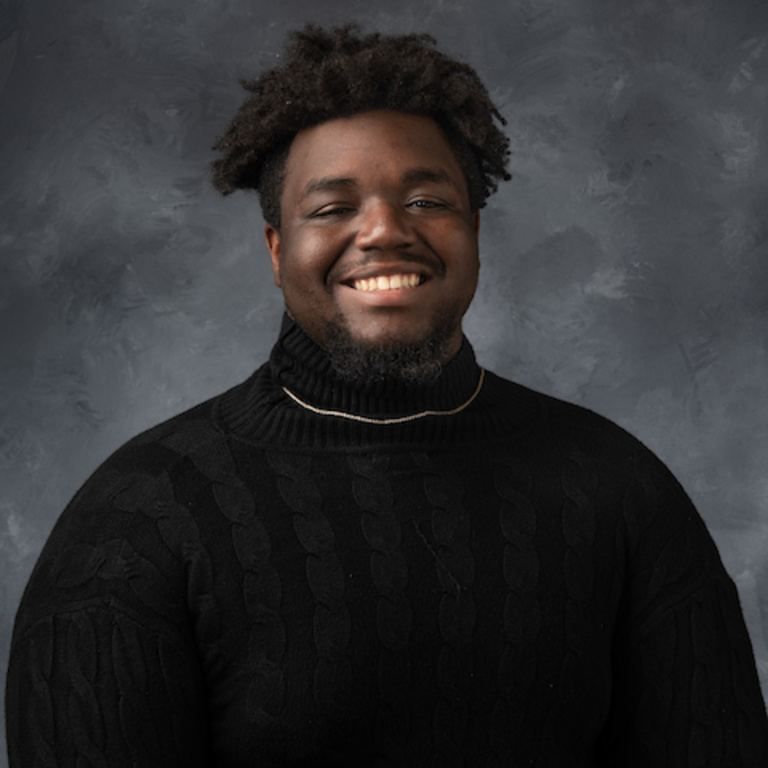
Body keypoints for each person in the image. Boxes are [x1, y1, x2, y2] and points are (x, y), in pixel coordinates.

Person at [6, 23, 768, 768]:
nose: (383, 232)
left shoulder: (620, 490)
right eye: (333, 207)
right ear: (278, 250)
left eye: (427, 201)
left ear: (473, 228)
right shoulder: (138, 521)